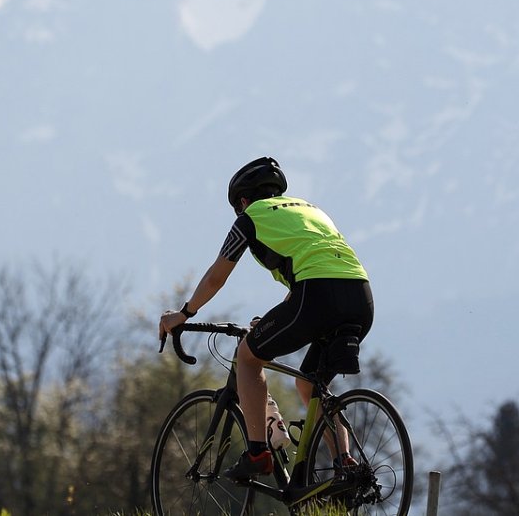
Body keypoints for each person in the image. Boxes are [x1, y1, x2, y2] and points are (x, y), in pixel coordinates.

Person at [158, 156, 375, 481]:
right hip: (361, 297)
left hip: (317, 296)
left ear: (243, 201)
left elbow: (217, 277)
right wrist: (275, 320)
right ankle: (345, 464)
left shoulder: (250, 218)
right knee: (308, 383)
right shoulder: (310, 210)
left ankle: (257, 454)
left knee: (248, 357)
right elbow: (313, 272)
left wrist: (184, 313)